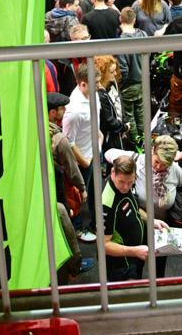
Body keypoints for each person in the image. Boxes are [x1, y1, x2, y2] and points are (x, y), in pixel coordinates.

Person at [102, 154, 168, 282]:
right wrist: (134, 251)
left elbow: (135, 209)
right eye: (122, 182)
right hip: (121, 266)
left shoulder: (125, 185)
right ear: (112, 172)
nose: (126, 187)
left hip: (135, 256)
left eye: (130, 182)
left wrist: (151, 221)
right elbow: (103, 245)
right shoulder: (106, 204)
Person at [63, 64, 103, 242]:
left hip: (94, 152)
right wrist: (85, 162)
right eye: (96, 82)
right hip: (83, 161)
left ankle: (97, 223)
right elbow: (68, 141)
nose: (100, 85)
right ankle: (78, 228)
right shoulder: (73, 110)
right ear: (83, 84)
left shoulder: (93, 94)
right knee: (78, 199)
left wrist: (99, 136)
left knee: (96, 191)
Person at [116, 7, 146, 145]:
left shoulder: (121, 41)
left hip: (129, 84)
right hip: (143, 81)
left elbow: (123, 69)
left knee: (129, 114)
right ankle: (144, 137)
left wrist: (120, 84)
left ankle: (135, 141)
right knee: (141, 111)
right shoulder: (143, 35)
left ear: (120, 19)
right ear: (134, 20)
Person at [94, 56, 129, 160]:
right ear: (102, 74)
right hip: (109, 138)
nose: (115, 73)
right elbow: (108, 120)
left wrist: (125, 122)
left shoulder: (112, 84)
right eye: (112, 72)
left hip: (118, 132)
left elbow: (120, 102)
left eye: (115, 70)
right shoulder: (99, 94)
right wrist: (124, 127)